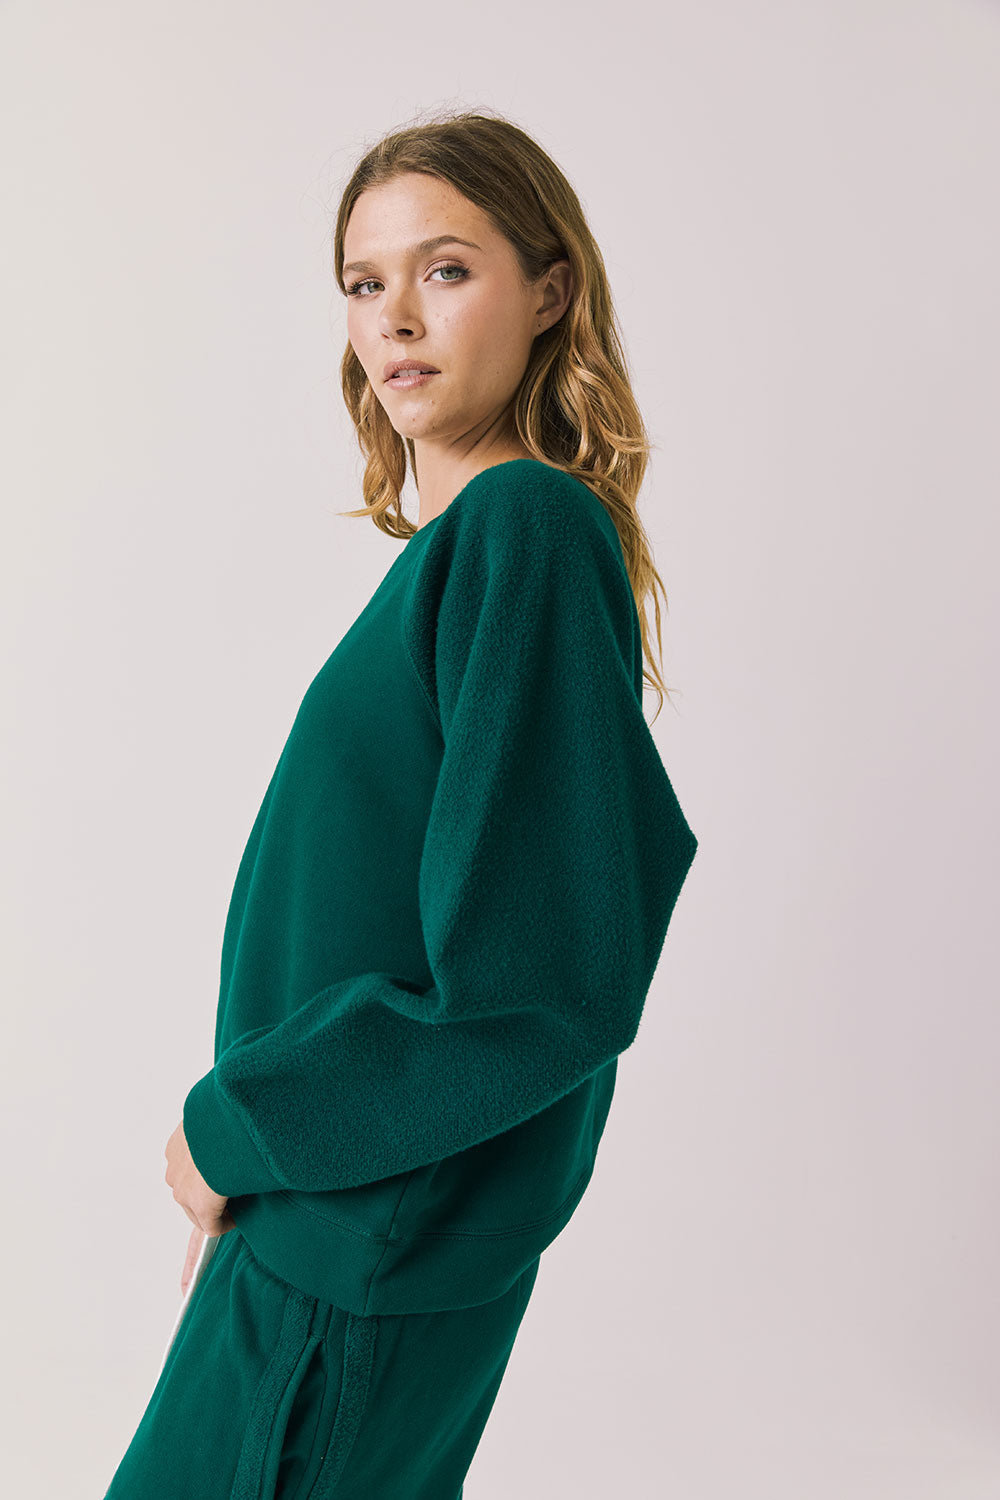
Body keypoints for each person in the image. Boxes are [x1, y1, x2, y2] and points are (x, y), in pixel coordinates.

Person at [104, 107, 699, 1499]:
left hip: (359, 1236)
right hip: (326, 1224)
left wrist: (235, 1129)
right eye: (366, 284)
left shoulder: (525, 530)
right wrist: (272, 1184)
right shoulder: (468, 554)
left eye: (445, 271)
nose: (395, 321)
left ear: (549, 292)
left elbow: (540, 986)